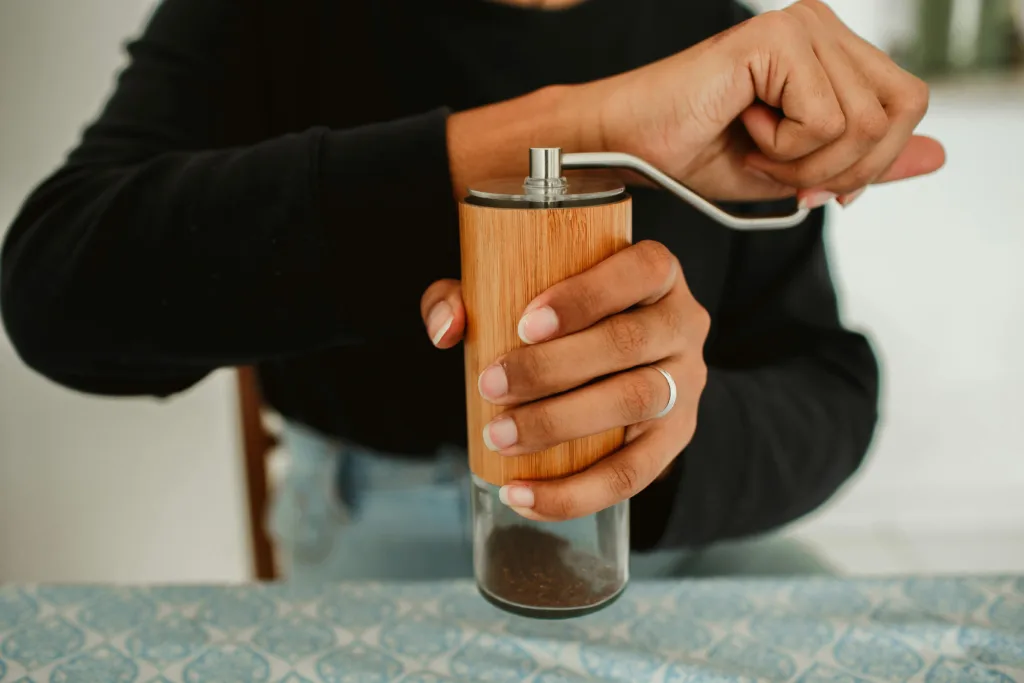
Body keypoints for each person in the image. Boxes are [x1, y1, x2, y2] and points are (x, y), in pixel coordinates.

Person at [0, 0, 944, 582]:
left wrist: (673, 425)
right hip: (390, 518)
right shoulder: (270, 17)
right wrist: (586, 129)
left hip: (680, 536)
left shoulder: (722, 39)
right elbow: (59, 290)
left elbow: (828, 382)